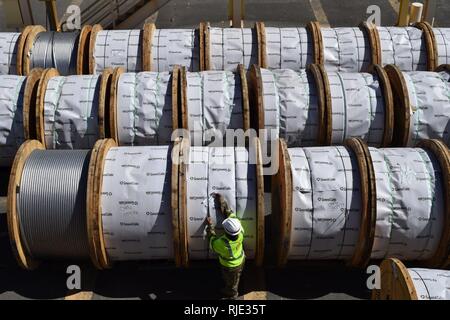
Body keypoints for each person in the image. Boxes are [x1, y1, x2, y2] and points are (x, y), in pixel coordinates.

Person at [206, 193, 245, 299]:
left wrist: (210, 225)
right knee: (236, 277)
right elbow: (229, 213)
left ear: (226, 232)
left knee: (231, 281)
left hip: (230, 267)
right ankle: (234, 284)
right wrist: (221, 200)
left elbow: (211, 240)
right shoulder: (240, 230)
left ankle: (232, 294)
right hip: (240, 260)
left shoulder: (222, 244)